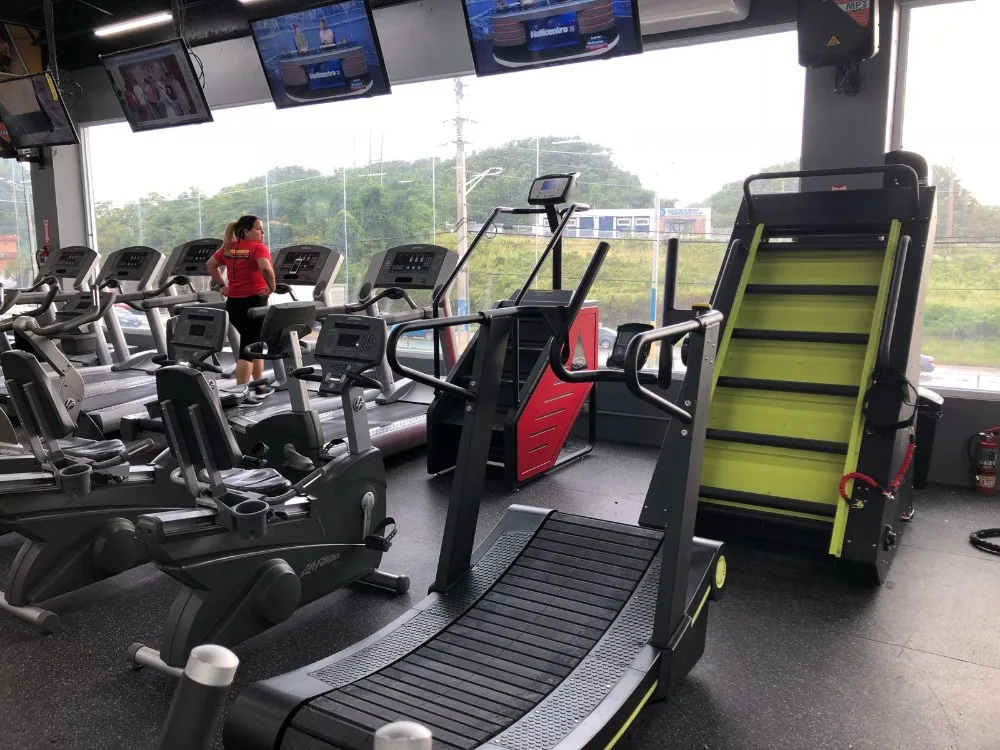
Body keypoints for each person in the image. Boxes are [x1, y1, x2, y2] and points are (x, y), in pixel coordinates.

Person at [206, 215, 277, 390]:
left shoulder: (229, 248)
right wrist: (271, 287)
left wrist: (222, 286)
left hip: (234, 304)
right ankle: (241, 391)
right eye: (258, 228)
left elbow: (210, 264)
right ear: (246, 231)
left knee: (255, 343)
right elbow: (265, 267)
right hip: (254, 303)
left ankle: (259, 385)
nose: (262, 232)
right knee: (247, 349)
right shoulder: (258, 248)